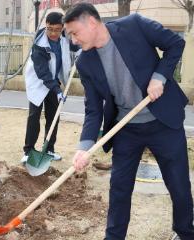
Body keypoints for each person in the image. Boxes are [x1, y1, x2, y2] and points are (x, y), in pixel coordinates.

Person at [64, 3, 194, 240]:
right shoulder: (85, 62)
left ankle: (185, 233)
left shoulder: (134, 25)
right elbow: (93, 110)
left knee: (179, 185)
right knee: (119, 190)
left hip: (163, 122)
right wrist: (83, 147)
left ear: (91, 22)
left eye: (74, 33)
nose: (73, 40)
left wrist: (160, 76)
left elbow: (176, 43)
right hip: (126, 128)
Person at [21, 12, 79, 163]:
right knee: (34, 117)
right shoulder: (38, 44)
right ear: (45, 25)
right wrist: (58, 91)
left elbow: (76, 43)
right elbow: (43, 72)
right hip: (39, 82)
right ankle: (29, 150)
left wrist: (80, 49)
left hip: (55, 81)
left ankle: (49, 149)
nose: (53, 33)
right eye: (50, 29)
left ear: (62, 28)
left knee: (53, 117)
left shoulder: (65, 36)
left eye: (57, 29)